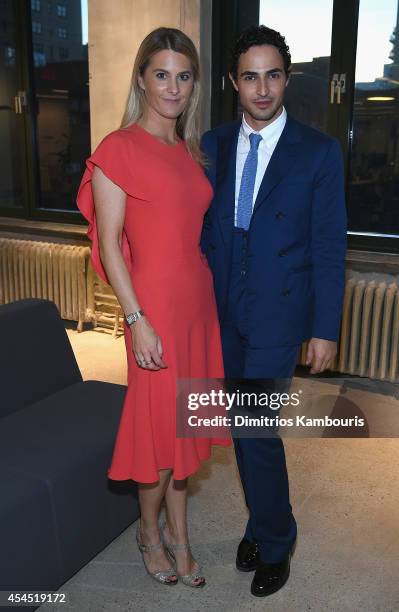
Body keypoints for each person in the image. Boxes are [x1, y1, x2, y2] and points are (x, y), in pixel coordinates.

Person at [77, 27, 230, 589]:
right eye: (161, 74)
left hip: (196, 305)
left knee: (185, 431)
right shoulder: (119, 148)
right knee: (158, 437)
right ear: (142, 78)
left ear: (193, 85)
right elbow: (109, 243)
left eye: (183, 76)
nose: (173, 87)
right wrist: (136, 320)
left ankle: (180, 536)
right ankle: (149, 532)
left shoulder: (188, 150)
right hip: (154, 310)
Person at [201, 25, 347, 598]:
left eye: (274, 75)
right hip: (220, 310)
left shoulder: (319, 151)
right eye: (250, 76)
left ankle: (276, 539)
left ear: (287, 78)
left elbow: (330, 247)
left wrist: (324, 329)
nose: (263, 89)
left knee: (256, 428)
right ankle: (260, 520)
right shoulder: (210, 146)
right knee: (242, 426)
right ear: (232, 82)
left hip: (279, 316)